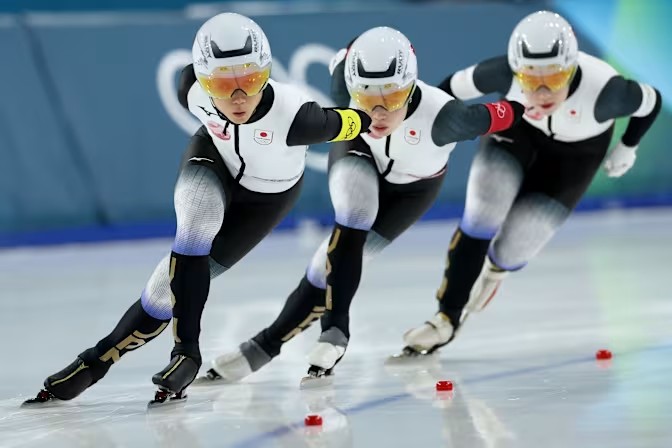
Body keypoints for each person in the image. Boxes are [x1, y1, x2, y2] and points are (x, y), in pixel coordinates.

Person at [23, 12, 371, 406]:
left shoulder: (298, 117)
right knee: (195, 223)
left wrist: (370, 110)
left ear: (266, 73)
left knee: (161, 294)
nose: (237, 98)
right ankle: (185, 351)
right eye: (221, 85)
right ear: (204, 80)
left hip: (265, 199)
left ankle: (97, 359)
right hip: (212, 159)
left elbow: (353, 121)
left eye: (250, 81)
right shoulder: (189, 87)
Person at [195, 26, 524, 385]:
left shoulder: (447, 118)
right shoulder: (343, 84)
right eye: (366, 98)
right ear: (352, 87)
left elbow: (507, 112)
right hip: (358, 149)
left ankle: (263, 347)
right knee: (354, 214)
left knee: (324, 268)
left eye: (392, 98)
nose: (378, 113)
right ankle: (335, 330)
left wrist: (526, 103)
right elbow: (346, 59)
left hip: (412, 191)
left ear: (410, 88)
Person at [398, 10, 662, 358]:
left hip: (576, 156)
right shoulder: (501, 71)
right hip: (517, 133)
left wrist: (629, 145)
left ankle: (496, 269)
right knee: (482, 214)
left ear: (572, 68)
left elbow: (651, 101)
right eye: (529, 78)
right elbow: (445, 90)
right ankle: (445, 317)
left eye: (554, 78)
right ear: (516, 70)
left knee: (515, 247)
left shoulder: (606, 92)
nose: (541, 91)